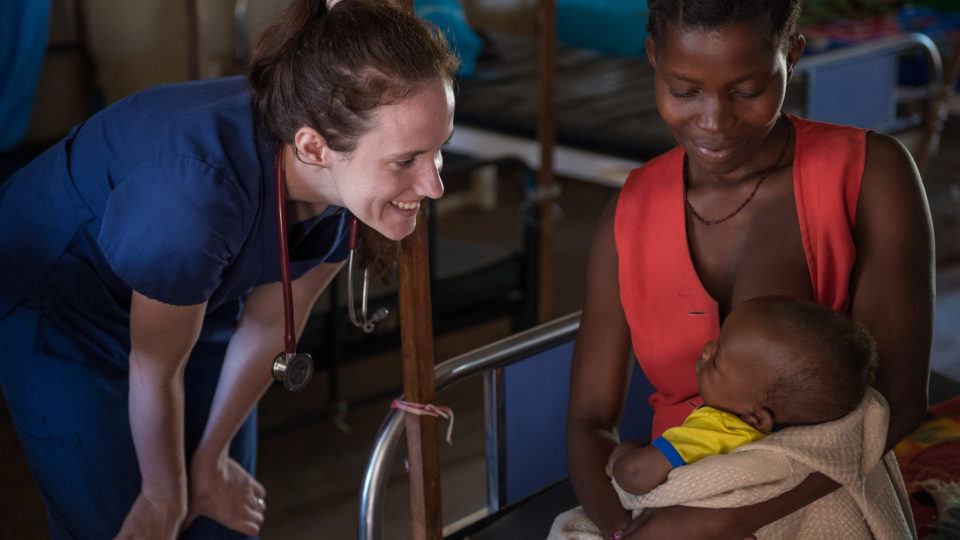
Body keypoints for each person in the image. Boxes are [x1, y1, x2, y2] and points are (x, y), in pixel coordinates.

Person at [0, 1, 457, 538]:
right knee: (125, 522)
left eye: (439, 150)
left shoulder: (345, 187)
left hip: (192, 299)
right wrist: (162, 495)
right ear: (313, 146)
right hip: (63, 305)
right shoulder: (195, 196)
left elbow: (266, 325)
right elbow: (154, 365)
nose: (434, 186)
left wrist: (208, 460)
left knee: (220, 510)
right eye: (406, 160)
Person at [565, 1, 934, 538]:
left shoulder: (870, 174)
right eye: (684, 90)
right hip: (673, 494)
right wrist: (622, 527)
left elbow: (897, 403)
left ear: (791, 55)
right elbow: (588, 422)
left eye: (747, 91)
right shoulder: (629, 214)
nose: (714, 121)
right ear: (653, 58)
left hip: (820, 488)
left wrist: (723, 521)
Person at [606, 296, 877, 496]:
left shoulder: (716, 428)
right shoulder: (802, 438)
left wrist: (623, 454)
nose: (707, 348)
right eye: (719, 339)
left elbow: (636, 475)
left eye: (716, 361)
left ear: (756, 417)